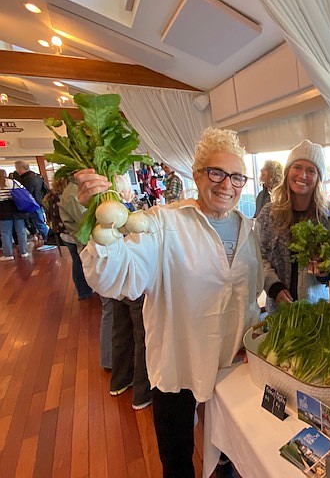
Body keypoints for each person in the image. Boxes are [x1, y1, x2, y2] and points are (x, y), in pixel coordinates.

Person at [77, 127, 263, 477]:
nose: (227, 185)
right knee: (177, 460)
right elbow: (120, 277)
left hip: (232, 364)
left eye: (237, 176)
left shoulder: (249, 228)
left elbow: (251, 291)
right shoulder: (164, 223)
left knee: (229, 452)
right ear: (196, 174)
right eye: (216, 173)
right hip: (180, 361)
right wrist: (101, 225)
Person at [256, 139, 330, 311]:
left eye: (311, 170)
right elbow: (259, 257)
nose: (303, 175)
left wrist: (326, 272)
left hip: (318, 312)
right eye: (297, 167)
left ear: (318, 178)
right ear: (288, 172)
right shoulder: (268, 214)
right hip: (279, 312)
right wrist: (274, 287)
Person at [43, 176, 93, 300]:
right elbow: (80, 218)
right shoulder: (70, 194)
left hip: (64, 233)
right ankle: (84, 291)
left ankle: (84, 290)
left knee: (77, 261)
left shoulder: (53, 194)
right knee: (80, 262)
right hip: (74, 234)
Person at [14, 160, 56, 251]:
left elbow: (26, 194)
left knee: (39, 223)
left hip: (31, 204)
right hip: (39, 202)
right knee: (40, 222)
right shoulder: (37, 176)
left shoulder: (26, 179)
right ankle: (48, 240)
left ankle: (50, 241)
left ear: (20, 168)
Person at [0, 169, 30, 261]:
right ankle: (24, 252)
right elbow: (24, 191)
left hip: (2, 210)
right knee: (21, 231)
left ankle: (8, 254)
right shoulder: (13, 182)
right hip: (16, 207)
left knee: (5, 233)